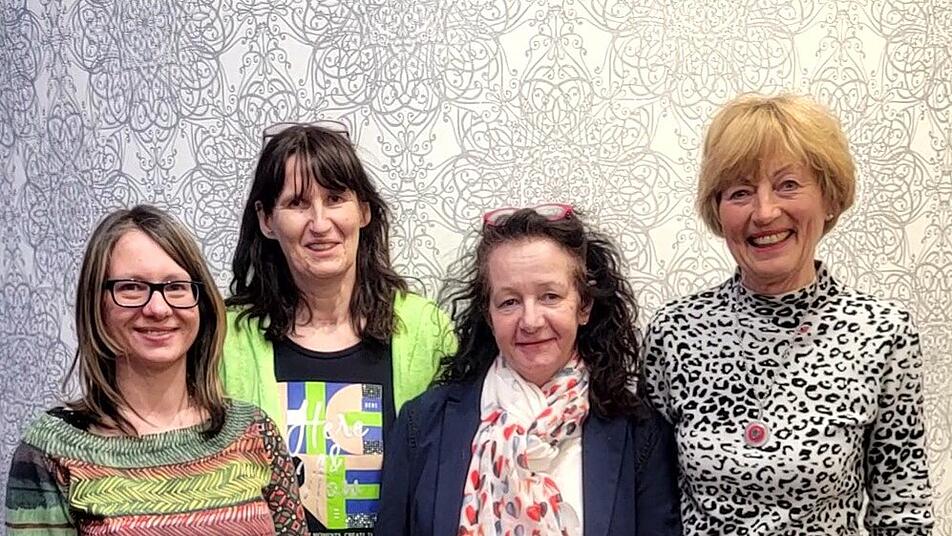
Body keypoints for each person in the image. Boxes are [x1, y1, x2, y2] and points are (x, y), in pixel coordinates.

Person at [644, 93, 934, 534]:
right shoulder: (674, 332)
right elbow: (648, 499)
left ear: (829, 198)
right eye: (740, 192)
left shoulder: (881, 333)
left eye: (788, 185)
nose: (764, 212)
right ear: (718, 212)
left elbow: (902, 509)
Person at [376, 205, 682, 536]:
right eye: (509, 302)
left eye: (550, 296)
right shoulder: (422, 424)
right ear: (489, 314)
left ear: (584, 306)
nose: (531, 321)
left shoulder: (639, 434)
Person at [4, 205, 306, 535]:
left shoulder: (254, 432)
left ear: (201, 302)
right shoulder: (51, 450)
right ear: (96, 303)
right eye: (131, 288)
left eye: (176, 286)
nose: (158, 308)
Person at [223, 123, 455, 534]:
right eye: (297, 203)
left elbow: (455, 471)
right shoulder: (226, 339)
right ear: (267, 220)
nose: (320, 222)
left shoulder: (427, 330)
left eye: (335, 198)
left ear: (363, 210)